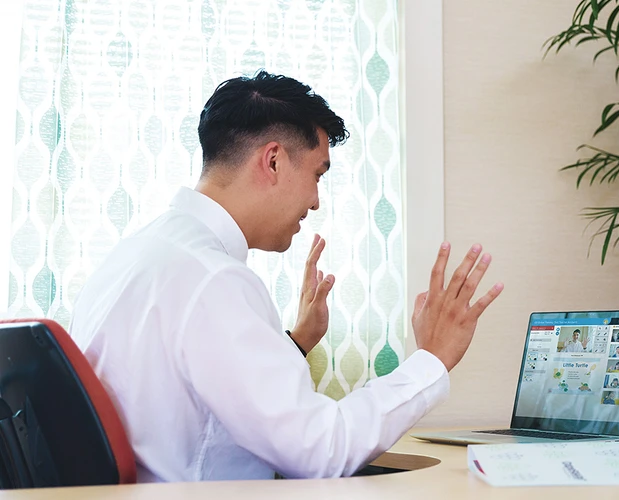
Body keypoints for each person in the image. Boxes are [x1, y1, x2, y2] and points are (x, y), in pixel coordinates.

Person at [68, 71, 504, 482]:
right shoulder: (214, 280)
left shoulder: (140, 254)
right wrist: (431, 359)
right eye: (317, 175)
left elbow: (198, 401)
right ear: (273, 160)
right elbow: (320, 452)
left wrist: (296, 343)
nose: (315, 202)